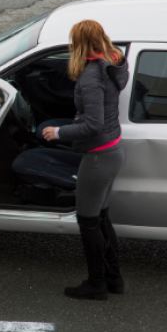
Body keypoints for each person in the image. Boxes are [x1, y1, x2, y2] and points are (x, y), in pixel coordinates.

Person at [42, 20, 129, 300]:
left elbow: (93, 124)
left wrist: (58, 133)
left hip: (98, 157)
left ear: (79, 43)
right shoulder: (111, 65)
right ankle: (113, 280)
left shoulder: (92, 76)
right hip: (112, 151)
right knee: (101, 218)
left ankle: (96, 284)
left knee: (88, 220)